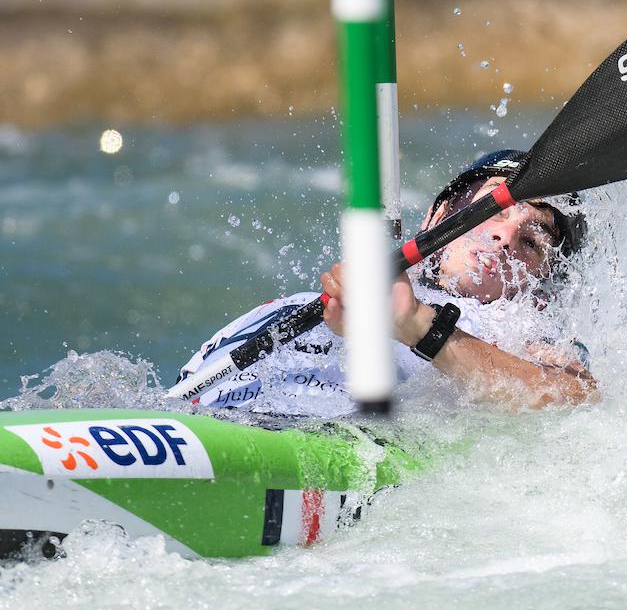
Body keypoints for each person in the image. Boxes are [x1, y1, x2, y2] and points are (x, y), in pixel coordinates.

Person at [176, 150, 596, 418]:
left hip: (320, 438)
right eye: (493, 208)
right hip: (199, 413)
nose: (505, 237)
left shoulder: (524, 330)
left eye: (531, 241)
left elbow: (576, 400)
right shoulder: (366, 283)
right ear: (436, 217)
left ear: (541, 283)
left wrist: (416, 326)